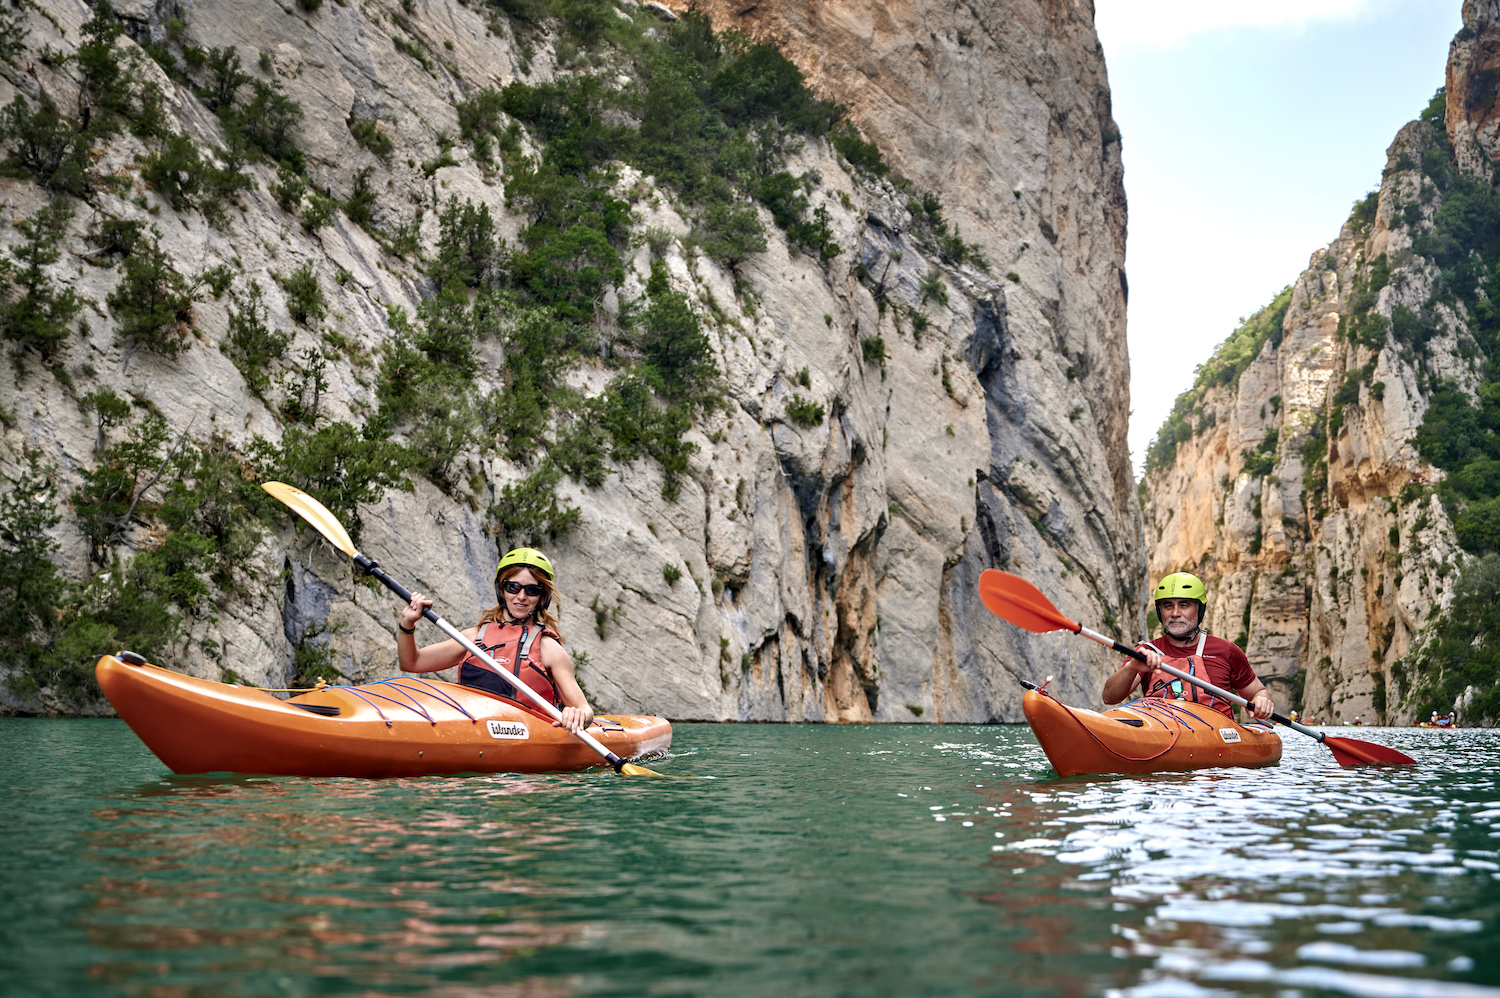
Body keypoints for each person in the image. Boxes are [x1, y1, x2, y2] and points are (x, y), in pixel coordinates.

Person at [396, 547, 595, 733]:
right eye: (513, 587)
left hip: (528, 736)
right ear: (502, 590)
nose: (522, 596)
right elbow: (411, 663)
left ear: (543, 596)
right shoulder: (473, 637)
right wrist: (407, 624)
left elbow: (584, 709)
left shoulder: (548, 648)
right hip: (472, 730)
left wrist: (577, 715)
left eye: (532, 590)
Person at [1101, 572, 1274, 721]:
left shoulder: (1226, 650)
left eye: (1184, 605)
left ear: (1199, 609)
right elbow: (1109, 698)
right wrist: (1132, 668)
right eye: (1168, 606)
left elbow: (1258, 691)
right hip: (1164, 733)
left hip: (1217, 737)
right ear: (1160, 611)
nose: (1175, 613)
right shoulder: (1146, 652)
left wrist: (1262, 700)